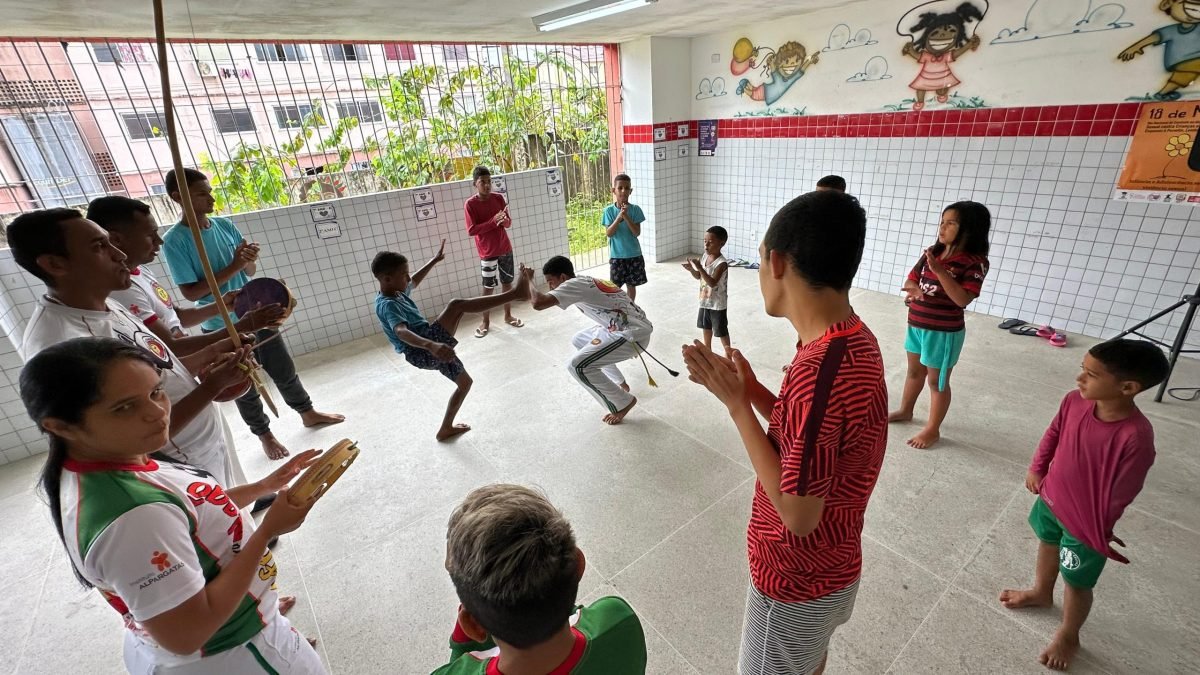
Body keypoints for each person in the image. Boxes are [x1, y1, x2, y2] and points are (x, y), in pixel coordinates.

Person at [19, 336, 326, 674]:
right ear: (61, 426)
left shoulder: (108, 461)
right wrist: (268, 529)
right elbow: (186, 634)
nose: (157, 412)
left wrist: (263, 487)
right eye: (124, 407)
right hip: (233, 654)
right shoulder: (134, 516)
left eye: (155, 392)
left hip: (230, 635)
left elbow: (192, 509)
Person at [682, 191, 887, 675]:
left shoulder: (822, 371)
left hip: (796, 581)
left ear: (776, 262)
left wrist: (736, 408)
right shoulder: (852, 340)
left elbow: (797, 514)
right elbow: (812, 441)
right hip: (834, 568)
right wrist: (753, 390)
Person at [7, 209, 250, 488]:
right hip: (174, 470)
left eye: (111, 242)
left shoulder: (106, 302)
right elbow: (125, 439)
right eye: (100, 246)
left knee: (239, 516)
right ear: (55, 264)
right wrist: (213, 386)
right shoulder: (60, 344)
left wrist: (216, 351)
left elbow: (164, 367)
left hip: (202, 444)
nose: (119, 254)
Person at [1000, 340, 1169, 672]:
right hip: (1051, 498)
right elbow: (1053, 433)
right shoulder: (1074, 401)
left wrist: (1098, 527)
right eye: (1083, 370)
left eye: (1090, 374)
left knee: (1077, 579)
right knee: (1047, 544)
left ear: (1128, 388)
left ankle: (1069, 633)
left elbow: (1123, 491)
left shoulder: (1135, 437)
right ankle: (1041, 591)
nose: (1080, 379)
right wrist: (1038, 467)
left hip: (1085, 524)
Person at [161, 168, 344, 461]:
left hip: (256, 312)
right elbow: (192, 294)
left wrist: (248, 260)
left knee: (282, 367)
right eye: (201, 193)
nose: (210, 197)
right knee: (243, 382)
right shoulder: (175, 241)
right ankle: (265, 434)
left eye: (209, 190)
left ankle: (307, 412)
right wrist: (235, 265)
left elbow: (249, 271)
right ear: (177, 197)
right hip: (220, 324)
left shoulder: (224, 225)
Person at [435, 484, 647, 674]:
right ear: (579, 564)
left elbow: (459, 664)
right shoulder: (618, 621)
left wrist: (466, 640)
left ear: (473, 626)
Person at [372, 241, 531, 441]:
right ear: (387, 279)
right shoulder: (388, 305)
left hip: (429, 346)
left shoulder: (396, 290)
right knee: (456, 306)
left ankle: (445, 428)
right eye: (404, 274)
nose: (408, 277)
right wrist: (431, 344)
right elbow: (401, 331)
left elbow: (415, 281)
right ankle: (516, 294)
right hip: (422, 350)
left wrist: (434, 261)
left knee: (465, 383)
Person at [88, 196, 286, 341]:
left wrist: (226, 305)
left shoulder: (141, 271)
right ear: (116, 239)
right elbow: (172, 347)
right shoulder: (122, 289)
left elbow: (177, 317)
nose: (159, 241)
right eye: (150, 235)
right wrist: (240, 328)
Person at [887, 201, 991, 449]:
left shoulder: (974, 262)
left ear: (969, 229)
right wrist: (912, 291)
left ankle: (932, 429)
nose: (942, 228)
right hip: (916, 324)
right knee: (914, 372)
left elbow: (962, 299)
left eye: (950, 223)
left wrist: (941, 271)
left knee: (937, 382)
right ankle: (906, 410)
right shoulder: (934, 251)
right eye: (941, 222)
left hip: (943, 333)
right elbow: (913, 278)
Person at [526, 256, 654, 425]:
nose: (550, 286)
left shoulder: (573, 285)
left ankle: (623, 402)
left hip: (631, 334)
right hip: (624, 327)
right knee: (579, 339)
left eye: (551, 281)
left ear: (563, 278)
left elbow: (538, 303)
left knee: (576, 366)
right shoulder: (582, 281)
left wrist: (528, 279)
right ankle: (620, 382)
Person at [464, 165, 523, 338]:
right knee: (488, 287)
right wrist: (492, 221)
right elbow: (471, 230)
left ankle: (508, 315)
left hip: (505, 248)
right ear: (475, 183)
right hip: (487, 252)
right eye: (483, 182)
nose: (487, 185)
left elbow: (508, 223)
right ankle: (486, 321)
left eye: (489, 181)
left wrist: (503, 221)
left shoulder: (499, 198)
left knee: (507, 283)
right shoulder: (470, 204)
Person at [900, 3, 983, 110]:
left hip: (942, 77)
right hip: (926, 77)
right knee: (920, 88)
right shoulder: (927, 55)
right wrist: (910, 50)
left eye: (951, 32)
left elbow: (958, 52)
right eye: (935, 33)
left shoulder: (946, 55)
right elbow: (917, 56)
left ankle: (941, 94)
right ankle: (920, 101)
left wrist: (968, 45)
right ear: (926, 37)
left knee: (942, 89)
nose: (942, 35)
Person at [1119, 0, 1200, 101]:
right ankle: (1161, 94)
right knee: (1182, 77)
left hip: (1193, 60)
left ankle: (1162, 93)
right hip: (1184, 61)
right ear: (1166, 5)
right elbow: (1155, 37)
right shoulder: (1171, 30)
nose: (1196, 14)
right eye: (1190, 8)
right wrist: (1135, 47)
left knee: (1182, 77)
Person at [681, 225, 731, 356]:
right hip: (704, 300)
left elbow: (713, 283)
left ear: (722, 243)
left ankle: (728, 355)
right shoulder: (704, 257)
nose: (706, 245)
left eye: (710, 242)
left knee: (721, 330)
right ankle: (707, 350)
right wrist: (692, 269)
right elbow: (699, 276)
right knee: (706, 326)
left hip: (717, 304)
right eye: (705, 241)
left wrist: (700, 268)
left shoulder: (721, 263)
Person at [602, 174, 647, 302]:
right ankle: (618, 307)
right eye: (620, 188)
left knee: (631, 285)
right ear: (613, 190)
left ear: (630, 191)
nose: (623, 191)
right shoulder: (608, 211)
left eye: (627, 188)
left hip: (634, 255)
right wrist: (619, 217)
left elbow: (636, 232)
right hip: (617, 256)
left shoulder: (635, 210)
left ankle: (630, 307)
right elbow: (609, 233)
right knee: (615, 287)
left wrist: (626, 216)